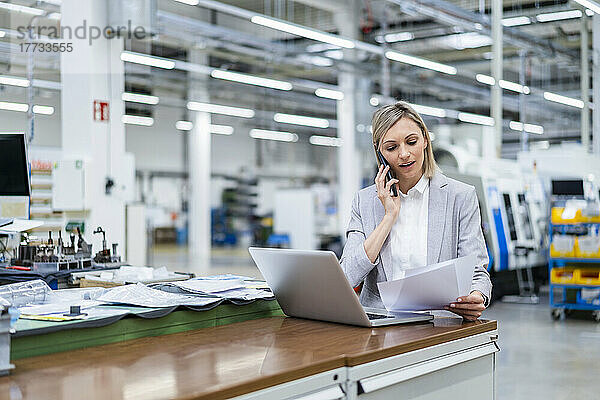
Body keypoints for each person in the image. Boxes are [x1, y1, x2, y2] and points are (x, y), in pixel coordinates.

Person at [340, 101, 492, 321]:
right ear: (380, 152)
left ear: (425, 140)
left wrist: (477, 297)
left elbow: (477, 272)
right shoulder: (364, 201)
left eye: (411, 142)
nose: (404, 154)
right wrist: (388, 217)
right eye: (391, 148)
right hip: (378, 328)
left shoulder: (461, 196)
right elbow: (347, 276)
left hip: (438, 326)